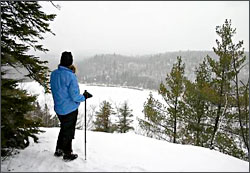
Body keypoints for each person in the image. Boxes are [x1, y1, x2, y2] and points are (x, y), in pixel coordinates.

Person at [50, 51, 92, 161]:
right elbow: (74, 96)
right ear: (71, 62)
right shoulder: (71, 76)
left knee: (64, 128)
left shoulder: (54, 74)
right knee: (68, 131)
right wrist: (84, 97)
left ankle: (59, 149)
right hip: (70, 109)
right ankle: (67, 154)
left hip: (58, 108)